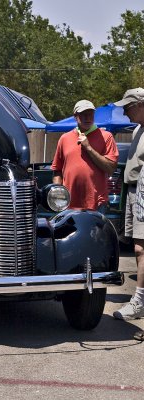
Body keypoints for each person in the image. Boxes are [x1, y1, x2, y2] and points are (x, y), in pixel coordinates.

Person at [111, 88, 144, 341]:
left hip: (143, 190)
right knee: (137, 247)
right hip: (134, 191)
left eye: (128, 106)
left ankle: (139, 301)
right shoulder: (137, 130)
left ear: (140, 104)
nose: (124, 111)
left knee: (142, 249)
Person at [51, 99, 118, 213]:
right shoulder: (64, 138)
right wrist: (58, 197)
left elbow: (111, 168)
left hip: (97, 203)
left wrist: (89, 148)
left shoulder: (106, 137)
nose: (88, 118)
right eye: (83, 114)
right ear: (75, 116)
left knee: (95, 231)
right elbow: (57, 170)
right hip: (68, 204)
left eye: (90, 114)